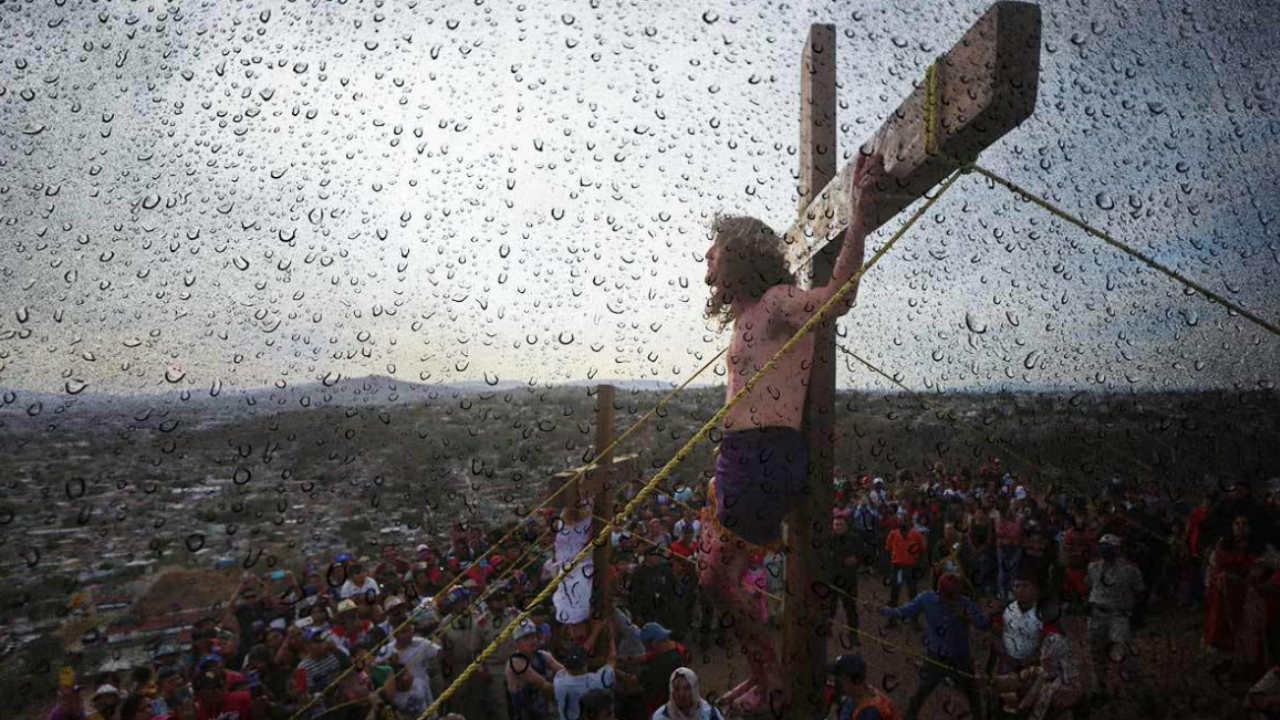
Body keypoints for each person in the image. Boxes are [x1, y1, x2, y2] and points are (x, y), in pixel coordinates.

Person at [697, 151, 884, 716]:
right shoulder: (746, 312)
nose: (706, 255)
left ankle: (770, 679)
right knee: (717, 578)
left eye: (717, 245)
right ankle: (765, 676)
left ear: (742, 256)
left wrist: (860, 216)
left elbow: (838, 299)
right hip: (739, 457)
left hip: (761, 457)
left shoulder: (777, 302)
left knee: (715, 580)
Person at [880, 573, 988, 720]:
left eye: (955, 595)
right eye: (949, 596)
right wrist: (881, 610)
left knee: (972, 693)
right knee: (920, 693)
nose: (952, 600)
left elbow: (984, 624)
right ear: (940, 591)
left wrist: (968, 616)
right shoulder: (927, 599)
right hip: (935, 657)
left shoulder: (966, 604)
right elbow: (904, 610)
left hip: (961, 658)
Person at [1205, 514, 1269, 676]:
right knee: (1222, 627)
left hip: (1249, 596)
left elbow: (1263, 570)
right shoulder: (1223, 545)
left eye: (1244, 523)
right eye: (1237, 523)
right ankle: (1227, 661)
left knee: (1246, 630)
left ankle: (1244, 666)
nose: (1240, 527)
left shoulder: (1260, 548)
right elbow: (1213, 566)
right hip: (1223, 594)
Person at [1084, 534, 1145, 701]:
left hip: (1119, 615)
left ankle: (1118, 686)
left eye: (1109, 547)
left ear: (1117, 549)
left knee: (1118, 652)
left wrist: (1132, 610)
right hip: (1097, 614)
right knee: (1097, 653)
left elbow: (1139, 591)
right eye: (1102, 546)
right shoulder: (1093, 567)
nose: (1105, 550)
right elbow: (1089, 586)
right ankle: (1099, 688)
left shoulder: (1130, 569)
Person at [507, 620, 563, 720]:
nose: (532, 641)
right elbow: (544, 685)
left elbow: (563, 671)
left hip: (541, 710)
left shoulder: (542, 655)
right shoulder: (516, 662)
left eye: (533, 637)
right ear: (517, 643)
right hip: (523, 714)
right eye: (526, 638)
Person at [553, 641, 617, 720]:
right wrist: (611, 640)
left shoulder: (559, 682)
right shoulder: (600, 680)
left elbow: (561, 670)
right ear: (586, 664)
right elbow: (612, 659)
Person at [826, 654, 895, 720]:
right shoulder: (861, 692)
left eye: (840, 678)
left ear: (856, 681)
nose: (836, 682)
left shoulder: (868, 714)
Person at [884, 518, 925, 629]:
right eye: (902, 531)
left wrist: (919, 567)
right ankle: (891, 620)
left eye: (906, 531)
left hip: (911, 568)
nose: (904, 534)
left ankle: (914, 621)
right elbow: (888, 549)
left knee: (913, 594)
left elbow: (922, 551)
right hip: (898, 568)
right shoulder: (893, 534)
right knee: (894, 593)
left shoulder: (916, 536)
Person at [651, 668, 723, 720]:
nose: (681, 694)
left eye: (687, 688)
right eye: (676, 688)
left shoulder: (710, 714)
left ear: (694, 690)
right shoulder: (660, 716)